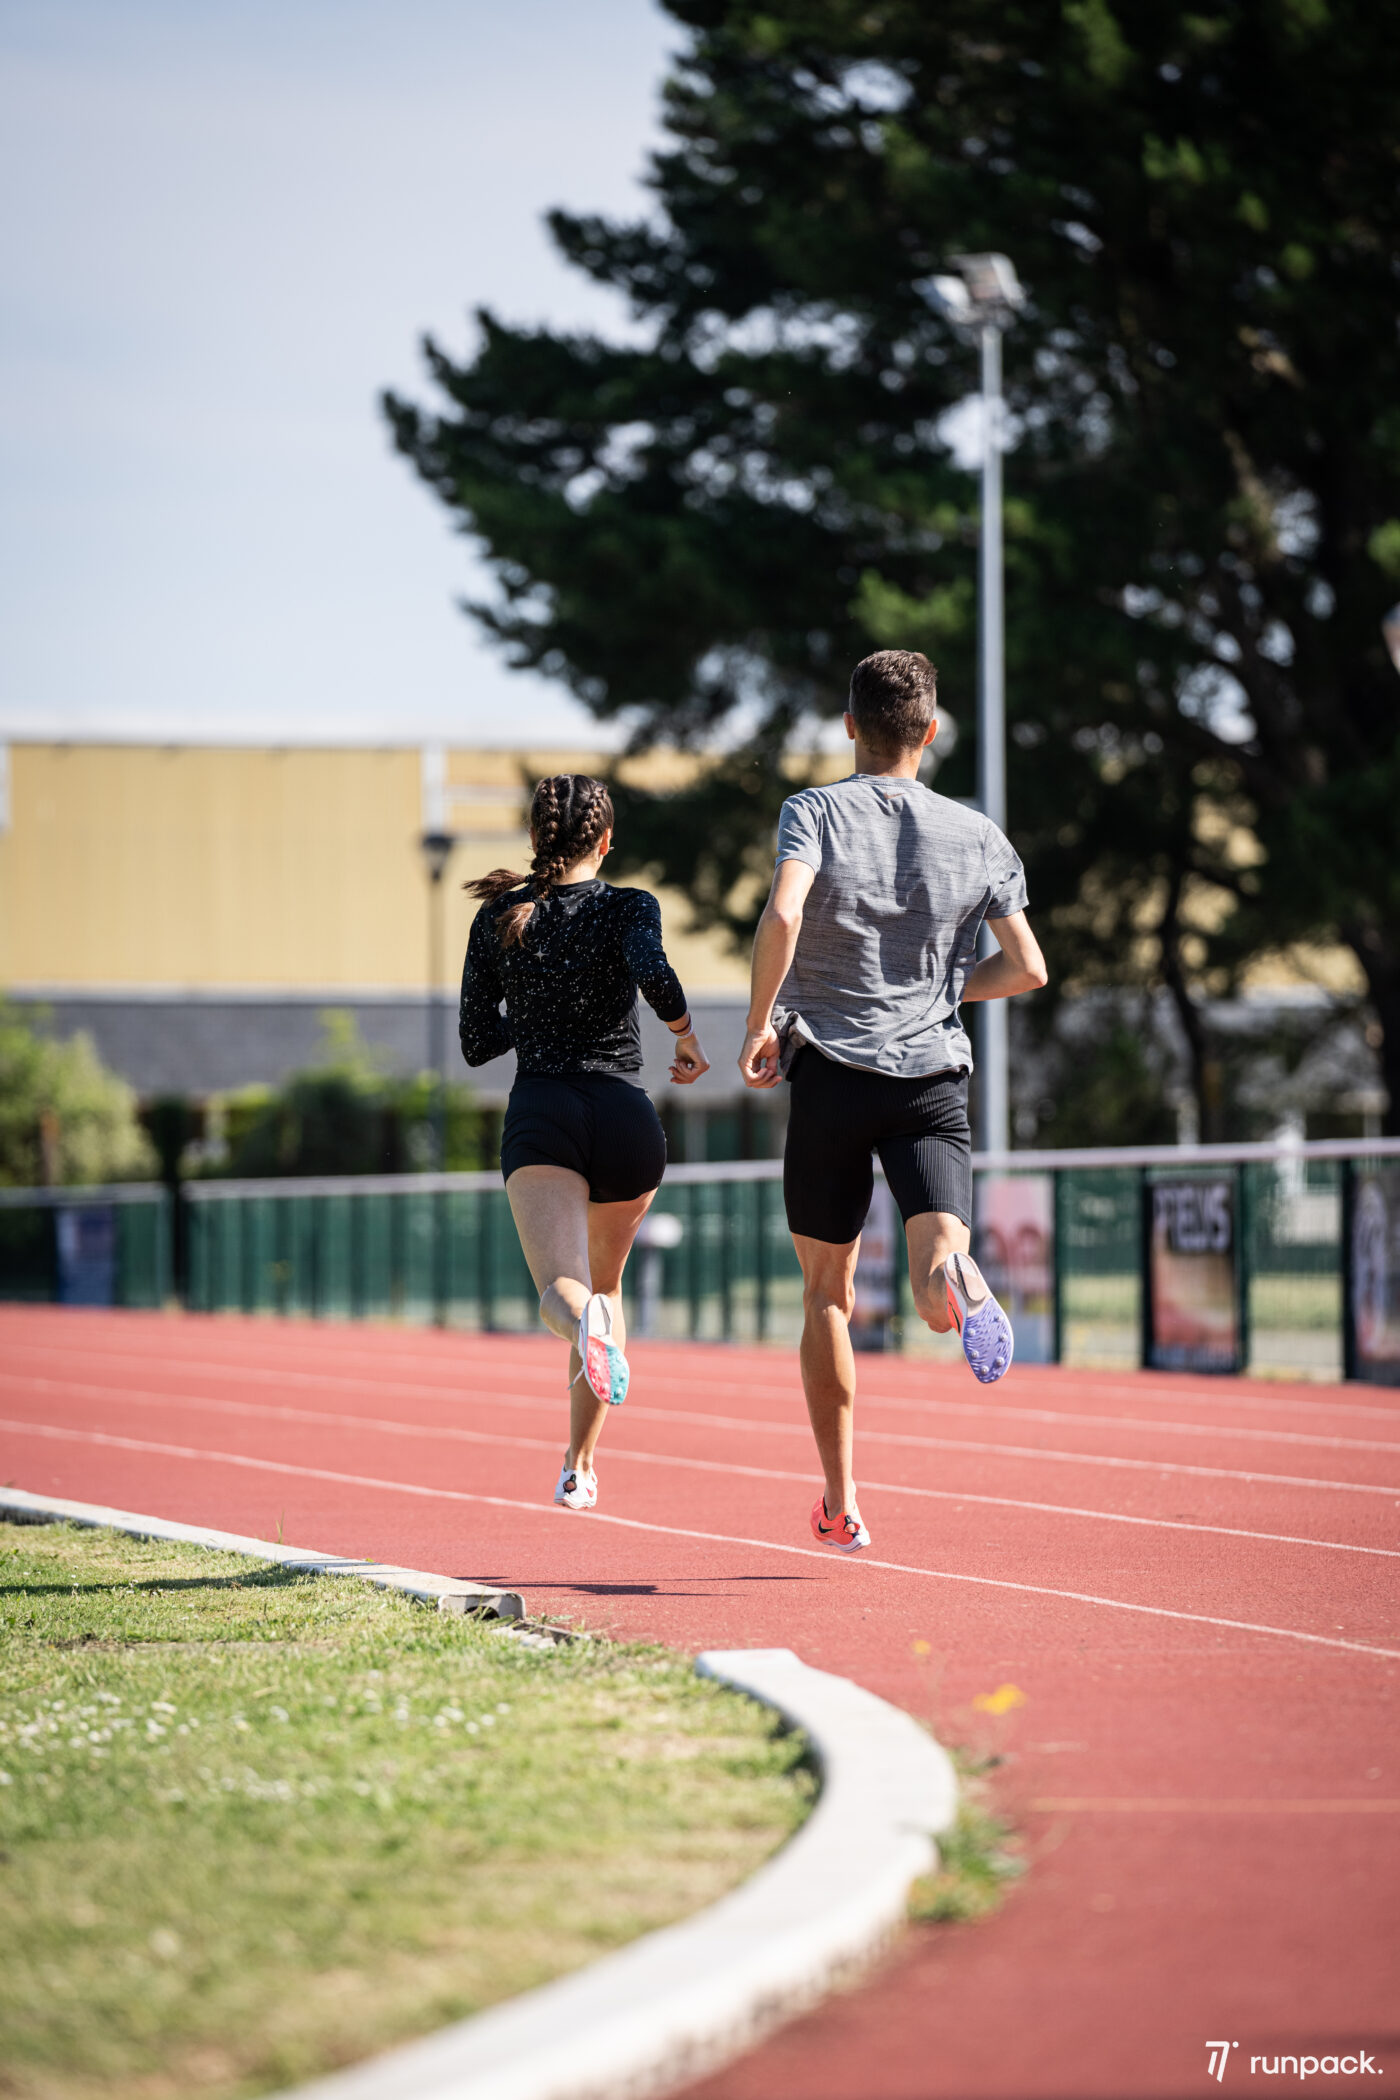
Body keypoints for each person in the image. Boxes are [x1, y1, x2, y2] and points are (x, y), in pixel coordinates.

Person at [739, 650, 1047, 1554]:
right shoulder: (978, 832)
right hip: (932, 1080)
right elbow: (1028, 966)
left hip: (832, 1072)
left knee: (827, 1296)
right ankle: (956, 1271)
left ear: (849, 726)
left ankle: (843, 1502)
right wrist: (945, 997)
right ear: (931, 731)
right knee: (929, 1279)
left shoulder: (816, 811)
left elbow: (785, 915)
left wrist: (762, 1024)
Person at [460, 774, 709, 1512]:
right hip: (626, 1117)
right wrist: (687, 1040)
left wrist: (536, 1019)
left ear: (535, 839)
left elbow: (477, 1042)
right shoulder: (632, 905)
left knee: (562, 1295)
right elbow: (654, 973)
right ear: (605, 842)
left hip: (545, 1113)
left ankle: (584, 1333)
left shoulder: (500, 916)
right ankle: (580, 1464)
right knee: (608, 1284)